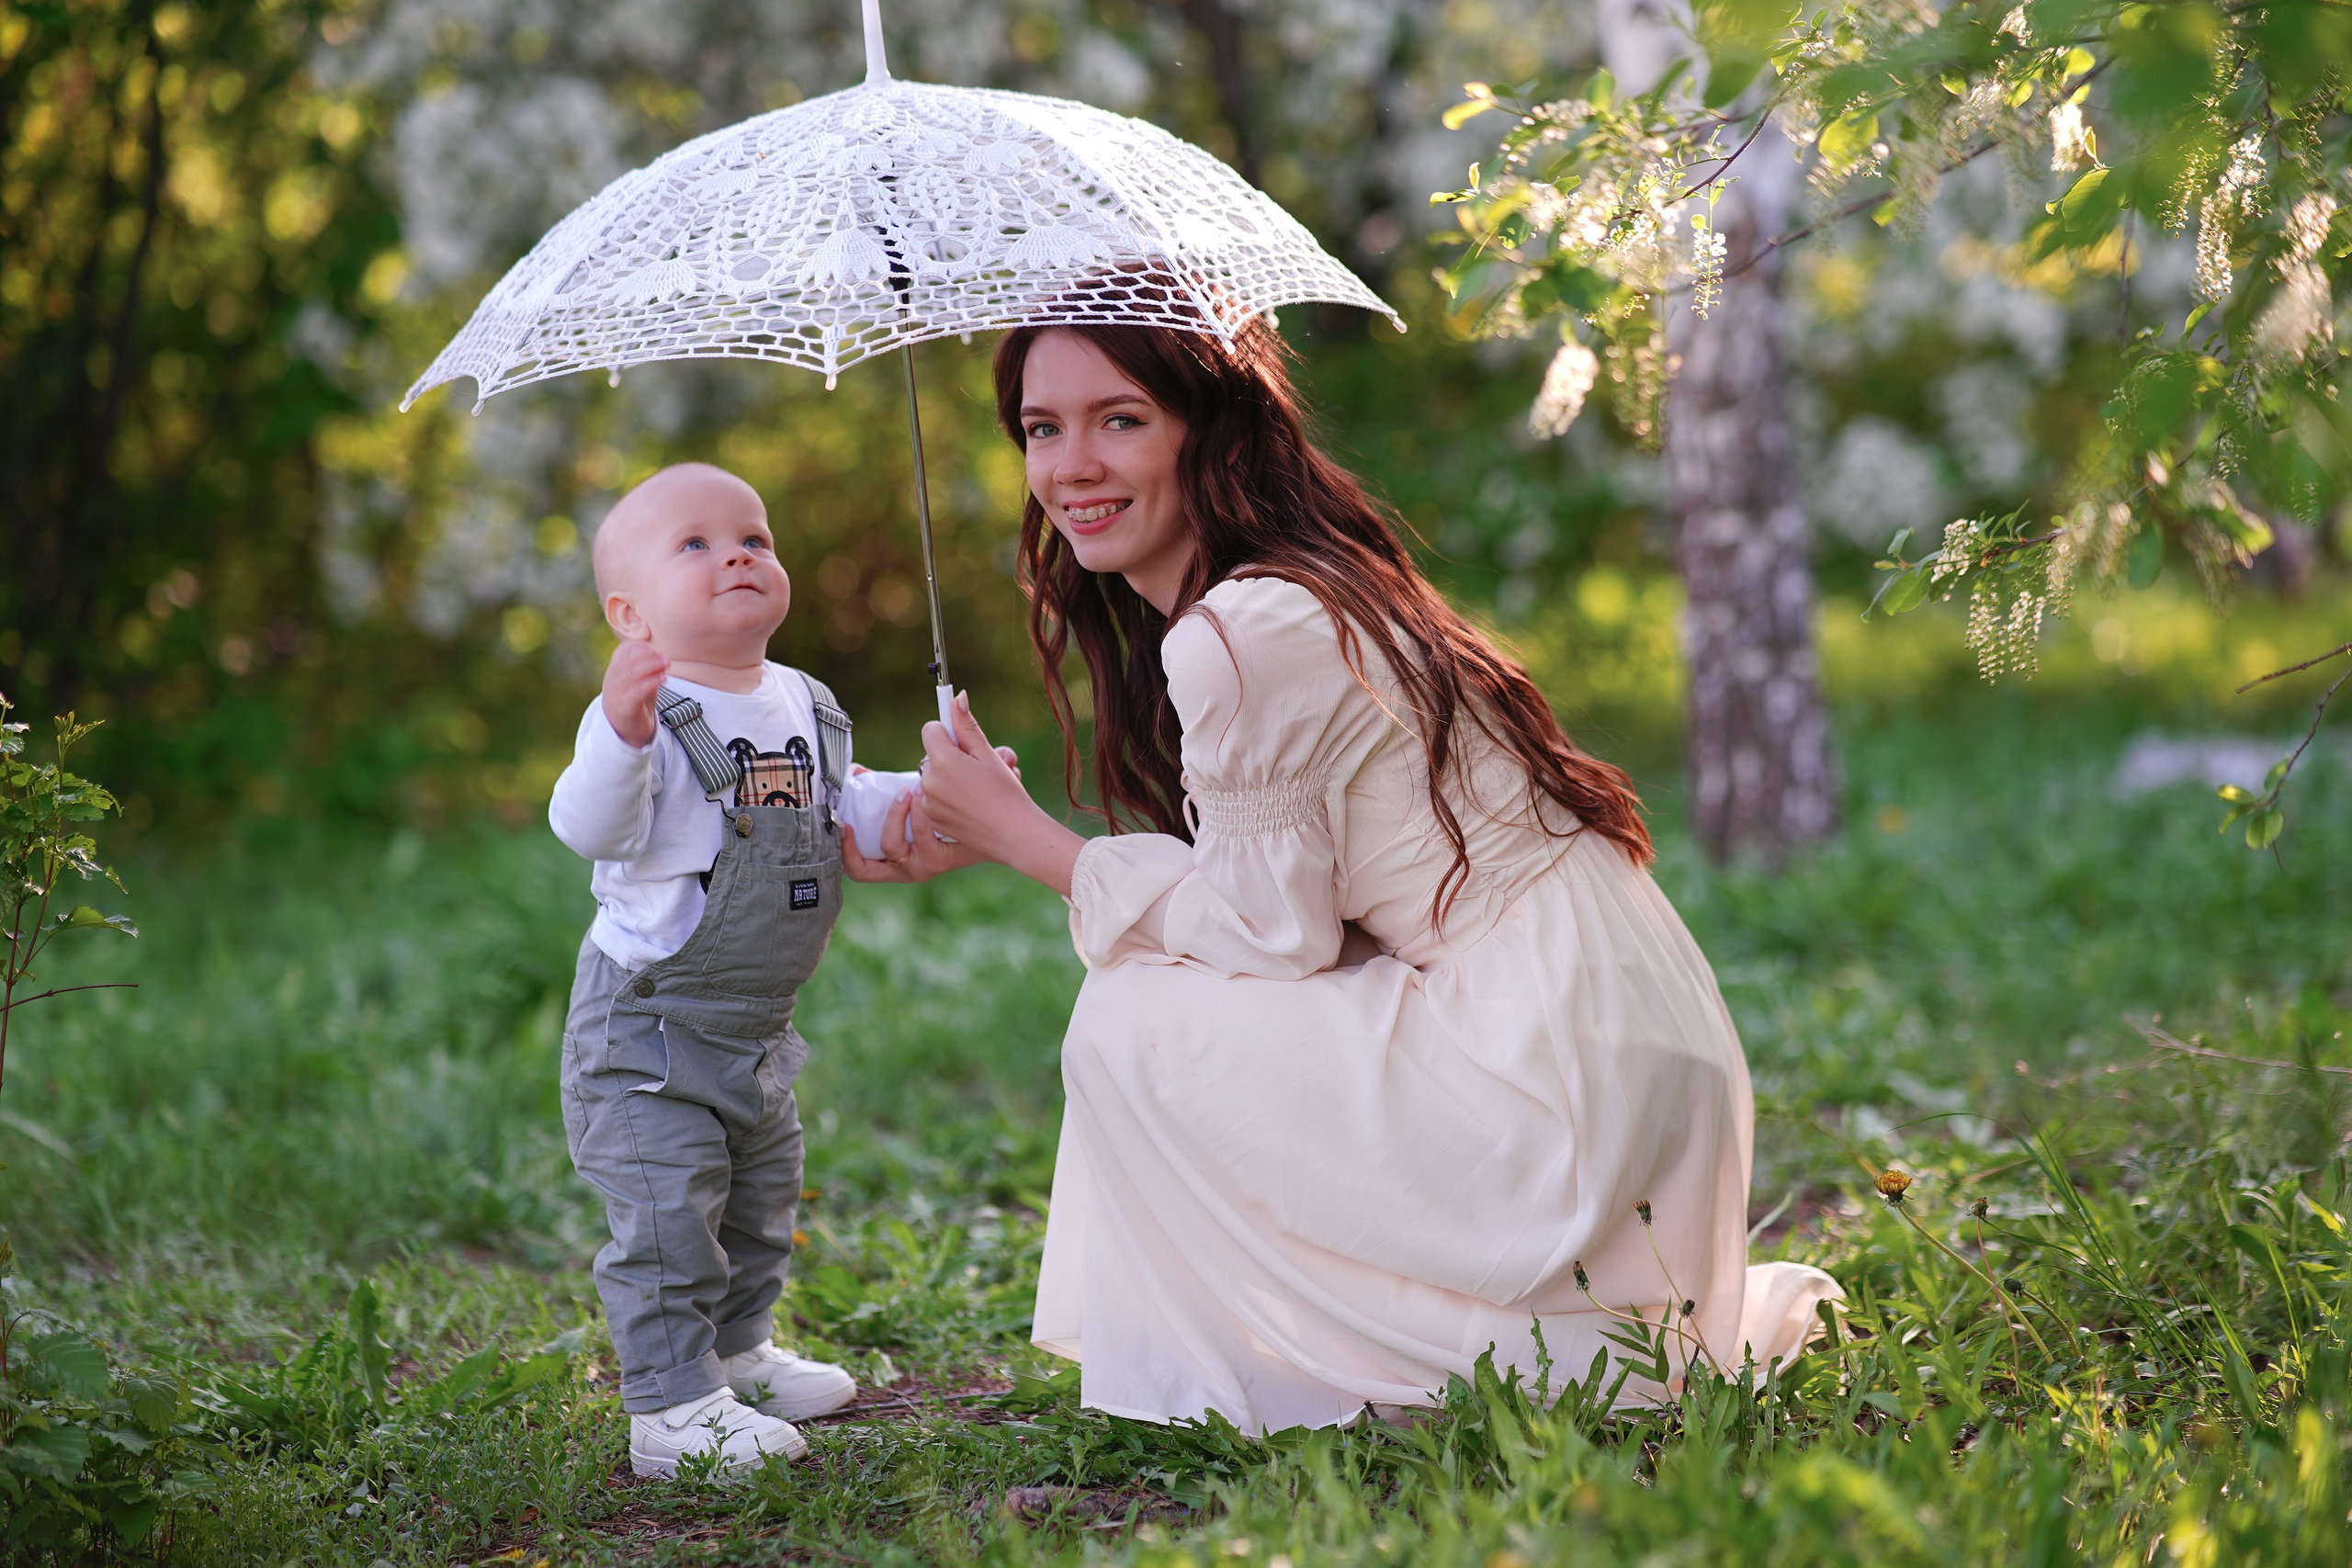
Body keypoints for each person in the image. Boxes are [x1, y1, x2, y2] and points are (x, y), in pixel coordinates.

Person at [849, 322, 1843, 1434]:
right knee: (1161, 994)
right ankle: (1469, 1341)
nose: (1069, 465)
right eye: (1042, 428)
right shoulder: (1294, 588)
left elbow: (1271, 938)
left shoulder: (1243, 625)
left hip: (1550, 1070)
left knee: (1132, 1016)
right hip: (1607, 1027)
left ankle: (1335, 1361)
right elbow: (1301, 915)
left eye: (1118, 420)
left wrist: (1024, 837)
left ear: (1208, 433)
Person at [548, 463, 861, 1477]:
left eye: (754, 538)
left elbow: (843, 810)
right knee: (668, 1214)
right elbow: (585, 828)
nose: (736, 553)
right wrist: (618, 733)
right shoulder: (646, 718)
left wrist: (923, 803)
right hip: (647, 1030)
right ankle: (672, 1409)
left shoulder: (805, 703)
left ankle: (736, 1353)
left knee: (759, 1199)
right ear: (629, 615)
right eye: (696, 543)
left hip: (755, 1025)